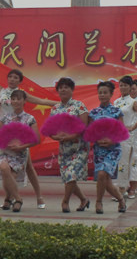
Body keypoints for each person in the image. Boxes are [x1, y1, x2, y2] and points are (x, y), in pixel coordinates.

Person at [0, 49, 57, 209]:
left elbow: (41, 101)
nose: (12, 79)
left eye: (16, 78)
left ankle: (38, 197)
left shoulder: (22, 94)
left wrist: (60, 104)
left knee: (28, 167)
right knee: (6, 169)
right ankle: (10, 198)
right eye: (10, 77)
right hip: (3, 134)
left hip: (19, 136)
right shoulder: (1, 91)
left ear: (20, 81)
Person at [0, 89, 40, 213]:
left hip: (19, 154)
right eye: (13, 99)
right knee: (4, 168)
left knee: (10, 177)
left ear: (24, 101)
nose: (16, 101)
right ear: (11, 101)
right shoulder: (5, 118)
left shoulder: (30, 119)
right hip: (5, 151)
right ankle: (18, 199)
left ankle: (8, 199)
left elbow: (36, 140)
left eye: (19, 99)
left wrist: (22, 147)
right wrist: (5, 143)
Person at [48, 77, 90, 213]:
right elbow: (50, 129)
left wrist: (70, 136)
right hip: (64, 149)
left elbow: (83, 127)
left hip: (79, 148)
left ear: (72, 90)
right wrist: (56, 137)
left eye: (66, 87)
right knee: (68, 177)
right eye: (61, 87)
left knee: (71, 174)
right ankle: (84, 199)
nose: (63, 90)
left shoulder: (79, 106)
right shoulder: (55, 109)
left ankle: (65, 201)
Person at [88, 81, 126, 214]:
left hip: (113, 150)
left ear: (111, 94)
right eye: (100, 93)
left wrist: (111, 140)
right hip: (99, 150)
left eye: (105, 93)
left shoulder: (117, 112)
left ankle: (98, 202)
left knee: (102, 174)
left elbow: (122, 132)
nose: (102, 95)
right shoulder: (93, 113)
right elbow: (89, 132)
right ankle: (121, 199)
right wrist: (96, 139)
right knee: (105, 179)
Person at [113, 76, 137, 199]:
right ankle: (121, 188)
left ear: (130, 87)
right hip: (117, 135)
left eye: (125, 85)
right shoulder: (116, 102)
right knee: (119, 162)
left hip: (127, 136)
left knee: (126, 161)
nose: (123, 87)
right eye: (121, 85)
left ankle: (124, 188)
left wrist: (132, 127)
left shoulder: (133, 102)